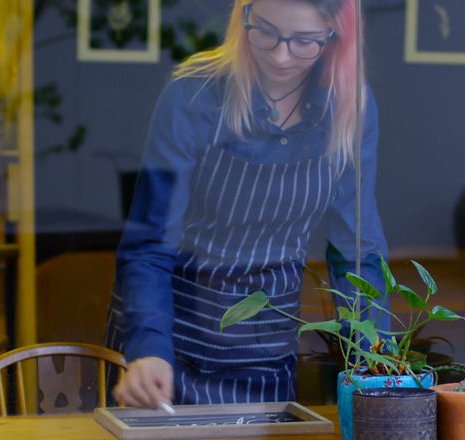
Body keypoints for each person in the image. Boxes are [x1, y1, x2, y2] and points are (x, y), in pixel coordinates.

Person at [107, 0, 388, 408]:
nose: (280, 54)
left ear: (334, 37)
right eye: (266, 32)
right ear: (244, 17)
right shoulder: (194, 94)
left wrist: (375, 363)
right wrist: (148, 348)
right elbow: (150, 243)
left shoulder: (349, 109)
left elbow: (357, 253)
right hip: (169, 344)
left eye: (304, 42)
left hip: (263, 351)